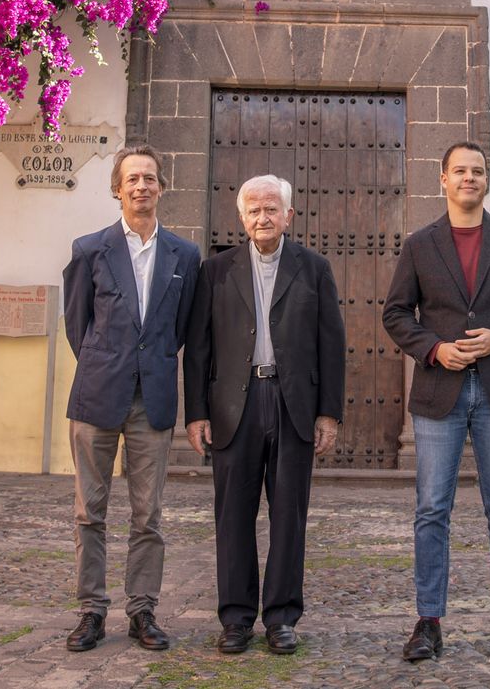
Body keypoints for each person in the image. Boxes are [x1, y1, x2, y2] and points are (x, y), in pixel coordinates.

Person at [383, 141, 490, 664]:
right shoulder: (419, 244)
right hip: (440, 391)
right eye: (459, 171)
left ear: (487, 180)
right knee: (431, 509)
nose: (469, 178)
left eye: (477, 171)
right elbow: (396, 315)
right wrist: (434, 349)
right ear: (443, 179)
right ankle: (428, 622)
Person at [183, 174, 345, 656]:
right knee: (232, 515)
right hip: (235, 404)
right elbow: (198, 348)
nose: (262, 217)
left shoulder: (314, 268)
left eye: (272, 208)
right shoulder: (215, 271)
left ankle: (280, 617)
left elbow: (331, 345)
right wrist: (195, 413)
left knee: (289, 516)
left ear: (289, 215)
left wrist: (329, 413)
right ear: (241, 217)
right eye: (253, 209)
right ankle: (235, 619)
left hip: (293, 403)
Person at [61, 144, 200, 654]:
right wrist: (107, 362)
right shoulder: (89, 249)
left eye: (150, 178)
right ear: (117, 189)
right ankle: (92, 610)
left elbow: (181, 329)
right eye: (132, 179)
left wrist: (147, 363)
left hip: (154, 401)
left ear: (162, 187)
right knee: (89, 511)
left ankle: (142, 609)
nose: (141, 186)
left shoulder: (185, 255)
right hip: (97, 397)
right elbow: (79, 326)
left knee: (149, 515)